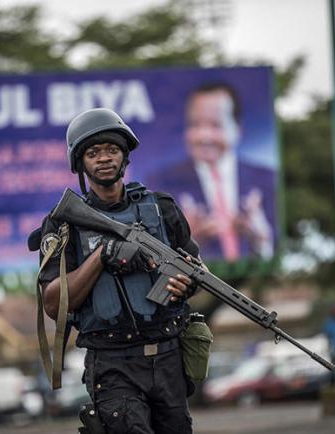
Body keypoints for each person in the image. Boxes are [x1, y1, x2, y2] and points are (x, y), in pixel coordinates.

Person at [37, 108, 202, 434]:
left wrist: (186, 284)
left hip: (168, 355)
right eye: (92, 152)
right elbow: (53, 303)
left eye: (112, 150)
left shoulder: (161, 208)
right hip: (112, 364)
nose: (103, 159)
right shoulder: (64, 224)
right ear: (80, 163)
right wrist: (102, 255)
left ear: (125, 157)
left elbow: (196, 268)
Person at [157, 83, 276, 261]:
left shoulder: (267, 179)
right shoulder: (160, 184)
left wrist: (261, 240)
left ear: (237, 128)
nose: (204, 136)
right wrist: (185, 243)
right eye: (195, 124)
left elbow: (279, 252)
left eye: (215, 125)